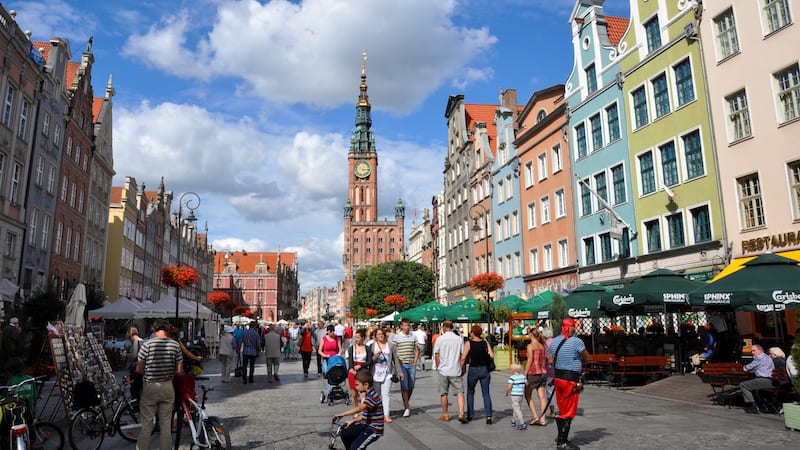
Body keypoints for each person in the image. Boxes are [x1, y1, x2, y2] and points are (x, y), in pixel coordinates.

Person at [136, 320, 182, 450]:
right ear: (167, 329)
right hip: (168, 386)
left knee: (146, 424)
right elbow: (179, 371)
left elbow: (139, 369)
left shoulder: (146, 345)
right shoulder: (175, 345)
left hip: (150, 386)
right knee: (166, 424)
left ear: (154, 330)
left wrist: (148, 372)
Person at [549, 318, 590, 450]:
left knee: (563, 408)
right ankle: (561, 442)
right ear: (571, 328)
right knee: (569, 411)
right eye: (574, 327)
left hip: (558, 378)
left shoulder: (554, 341)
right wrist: (578, 363)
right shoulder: (576, 341)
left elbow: (550, 360)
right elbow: (588, 358)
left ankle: (564, 438)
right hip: (570, 379)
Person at [333, 368, 383, 449]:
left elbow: (360, 408)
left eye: (357, 385)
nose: (356, 387)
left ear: (366, 385)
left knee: (355, 448)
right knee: (345, 433)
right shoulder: (368, 395)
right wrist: (353, 420)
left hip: (373, 429)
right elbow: (365, 415)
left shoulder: (373, 396)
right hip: (365, 424)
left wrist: (343, 414)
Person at [432, 320, 466, 423]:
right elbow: (462, 355)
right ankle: (461, 413)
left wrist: (438, 366)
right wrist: (462, 367)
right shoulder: (459, 339)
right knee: (460, 392)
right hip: (455, 370)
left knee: (443, 393)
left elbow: (436, 354)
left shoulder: (440, 339)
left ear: (443, 328)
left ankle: (446, 415)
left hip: (443, 370)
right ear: (452, 328)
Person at [460, 324, 495, 424]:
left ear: (472, 333)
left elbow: (463, 358)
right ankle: (489, 416)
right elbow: (492, 355)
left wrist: (460, 368)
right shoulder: (485, 342)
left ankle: (470, 415)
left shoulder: (469, 343)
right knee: (486, 393)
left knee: (470, 392)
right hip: (484, 369)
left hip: (473, 369)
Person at [370, 327, 401, 423]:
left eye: (382, 334)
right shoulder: (372, 346)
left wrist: (399, 372)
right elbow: (369, 360)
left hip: (387, 374)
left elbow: (395, 360)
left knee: (386, 394)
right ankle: (377, 414)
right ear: (375, 336)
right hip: (375, 373)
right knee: (376, 395)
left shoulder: (390, 345)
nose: (380, 336)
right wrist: (375, 357)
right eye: (378, 334)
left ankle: (386, 415)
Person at [392, 318, 419, 418]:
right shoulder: (397, 337)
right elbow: (394, 351)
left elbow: (417, 349)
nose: (407, 327)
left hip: (411, 364)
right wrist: (397, 363)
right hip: (402, 364)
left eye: (408, 325)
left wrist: (415, 362)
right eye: (405, 325)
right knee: (404, 386)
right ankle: (407, 407)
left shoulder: (413, 336)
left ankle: (406, 401)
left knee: (411, 385)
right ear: (401, 326)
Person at [740, 344, 776, 413]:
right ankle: (761, 404)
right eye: (751, 351)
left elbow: (746, 368)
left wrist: (744, 367)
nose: (752, 352)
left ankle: (752, 405)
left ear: (760, 350)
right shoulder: (767, 357)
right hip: (771, 380)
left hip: (764, 380)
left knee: (743, 385)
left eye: (754, 350)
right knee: (754, 385)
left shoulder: (759, 357)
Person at [525, 327, 548, 426]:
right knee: (542, 396)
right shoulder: (542, 345)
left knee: (527, 394)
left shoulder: (530, 346)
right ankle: (543, 419)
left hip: (533, 373)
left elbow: (530, 360)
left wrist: (525, 373)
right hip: (543, 373)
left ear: (531, 335)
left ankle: (535, 417)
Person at [348, 329, 371, 406]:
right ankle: (356, 410)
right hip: (353, 372)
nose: (356, 339)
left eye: (358, 337)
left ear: (363, 338)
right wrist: (353, 371)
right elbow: (350, 364)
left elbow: (369, 361)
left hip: (363, 371)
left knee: (363, 393)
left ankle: (363, 411)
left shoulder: (367, 348)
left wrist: (361, 365)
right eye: (355, 337)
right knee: (354, 394)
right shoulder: (352, 348)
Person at [319, 325, 343, 395]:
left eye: (333, 331)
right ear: (328, 332)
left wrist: (338, 354)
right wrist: (325, 355)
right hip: (327, 358)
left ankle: (337, 385)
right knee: (328, 372)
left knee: (337, 371)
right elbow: (320, 351)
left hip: (335, 358)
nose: (333, 333)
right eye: (331, 332)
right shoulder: (323, 339)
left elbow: (340, 349)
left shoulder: (337, 339)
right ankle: (329, 389)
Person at [505, 363, 527, 430]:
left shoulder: (512, 377)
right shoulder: (523, 376)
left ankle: (522, 422)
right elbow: (527, 383)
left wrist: (506, 392)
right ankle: (513, 420)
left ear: (513, 370)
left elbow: (509, 386)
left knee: (517, 409)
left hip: (514, 395)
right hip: (521, 395)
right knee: (516, 407)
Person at [127, 327, 144, 401]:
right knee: (140, 387)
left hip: (135, 368)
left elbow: (134, 356)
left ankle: (135, 405)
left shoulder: (135, 341)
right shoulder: (142, 340)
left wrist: (127, 355)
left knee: (134, 388)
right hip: (142, 368)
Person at [543, 326, 557, 418]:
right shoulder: (557, 341)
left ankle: (552, 411)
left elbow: (546, 358)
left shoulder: (545, 344)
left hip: (549, 370)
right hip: (560, 370)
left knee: (549, 391)